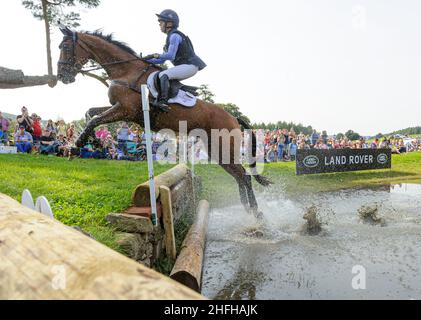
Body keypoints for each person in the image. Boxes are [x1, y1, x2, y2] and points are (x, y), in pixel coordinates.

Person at [144, 9, 206, 112]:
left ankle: (163, 101)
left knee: (163, 75)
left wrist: (154, 55)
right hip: (185, 66)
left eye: (161, 22)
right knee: (164, 74)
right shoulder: (169, 39)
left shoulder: (174, 36)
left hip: (190, 66)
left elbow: (170, 56)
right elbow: (162, 61)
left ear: (169, 23)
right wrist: (147, 61)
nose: (159, 24)